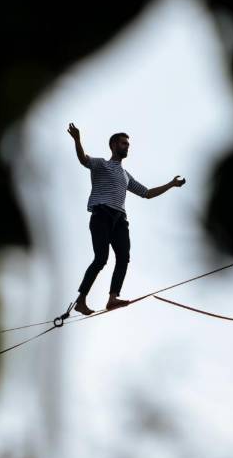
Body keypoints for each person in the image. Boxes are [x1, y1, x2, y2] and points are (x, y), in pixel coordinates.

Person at [67, 122, 186, 315]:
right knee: (101, 258)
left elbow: (147, 193)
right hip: (101, 215)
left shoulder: (126, 175)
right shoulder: (100, 164)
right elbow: (83, 159)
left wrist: (171, 184)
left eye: (127, 144)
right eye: (123, 143)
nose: (127, 147)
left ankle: (112, 298)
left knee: (123, 257)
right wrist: (77, 140)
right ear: (113, 145)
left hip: (119, 220)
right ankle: (81, 300)